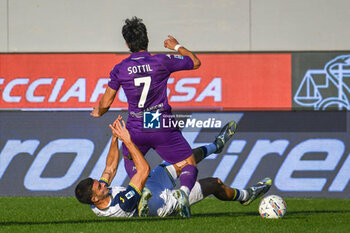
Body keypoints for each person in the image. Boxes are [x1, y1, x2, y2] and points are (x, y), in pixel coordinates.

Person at [90, 16, 201, 216]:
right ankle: (183, 192)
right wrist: (177, 47)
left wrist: (98, 111)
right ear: (147, 39)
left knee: (133, 164)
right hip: (160, 123)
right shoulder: (161, 60)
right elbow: (195, 62)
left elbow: (106, 103)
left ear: (126, 44)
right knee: (188, 164)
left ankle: (144, 191)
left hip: (136, 127)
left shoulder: (121, 68)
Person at [75, 116, 272, 218]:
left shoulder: (96, 200)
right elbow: (143, 169)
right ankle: (246, 196)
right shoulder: (121, 204)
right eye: (100, 187)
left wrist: (114, 139)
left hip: (148, 188)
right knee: (215, 183)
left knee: (184, 158)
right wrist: (127, 141)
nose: (103, 184)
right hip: (161, 204)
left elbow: (110, 168)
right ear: (95, 197)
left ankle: (216, 146)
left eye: (99, 184)